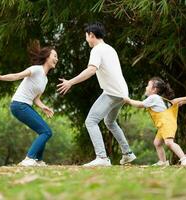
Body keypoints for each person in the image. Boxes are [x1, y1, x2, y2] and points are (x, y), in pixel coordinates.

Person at [57, 22, 136, 167]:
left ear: (91, 35)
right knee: (109, 122)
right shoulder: (110, 49)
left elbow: (91, 70)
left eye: (86, 36)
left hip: (113, 93)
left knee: (91, 121)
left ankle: (102, 158)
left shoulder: (97, 50)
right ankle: (128, 153)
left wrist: (70, 82)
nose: (86, 40)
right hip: (122, 92)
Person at [0, 40, 58, 167]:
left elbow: (36, 99)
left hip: (25, 105)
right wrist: (1, 77)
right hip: (19, 105)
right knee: (46, 132)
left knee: (43, 130)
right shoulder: (36, 69)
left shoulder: (45, 79)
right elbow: (17, 76)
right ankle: (29, 158)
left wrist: (43, 107)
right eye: (54, 56)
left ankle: (38, 160)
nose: (56, 59)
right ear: (47, 57)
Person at [125, 77, 186, 166]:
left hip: (166, 124)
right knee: (157, 143)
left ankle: (184, 158)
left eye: (148, 85)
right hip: (163, 124)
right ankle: (163, 162)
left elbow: (140, 104)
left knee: (169, 142)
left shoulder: (153, 97)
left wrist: (128, 100)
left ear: (154, 89)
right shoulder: (159, 98)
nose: (146, 87)